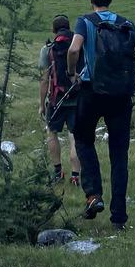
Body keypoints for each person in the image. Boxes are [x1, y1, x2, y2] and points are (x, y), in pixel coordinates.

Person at [66, 0, 135, 229]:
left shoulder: (85, 21)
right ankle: (119, 218)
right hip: (121, 95)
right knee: (119, 154)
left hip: (92, 91)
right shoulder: (126, 23)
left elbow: (74, 50)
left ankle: (94, 195)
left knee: (83, 139)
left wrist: (72, 73)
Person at [39, 15, 81, 186]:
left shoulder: (47, 49)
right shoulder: (78, 45)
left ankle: (58, 172)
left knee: (52, 132)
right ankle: (76, 176)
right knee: (74, 136)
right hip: (77, 98)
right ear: (69, 27)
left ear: (53, 30)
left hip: (56, 99)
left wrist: (41, 105)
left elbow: (44, 80)